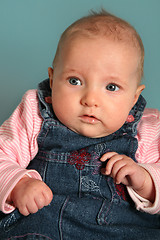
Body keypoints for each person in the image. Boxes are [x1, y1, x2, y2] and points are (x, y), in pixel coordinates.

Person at [0, 9, 160, 240]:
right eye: (75, 81)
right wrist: (18, 184)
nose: (90, 100)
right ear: (53, 80)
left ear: (134, 98)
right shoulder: (35, 114)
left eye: (111, 87)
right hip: (47, 228)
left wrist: (146, 179)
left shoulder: (148, 128)